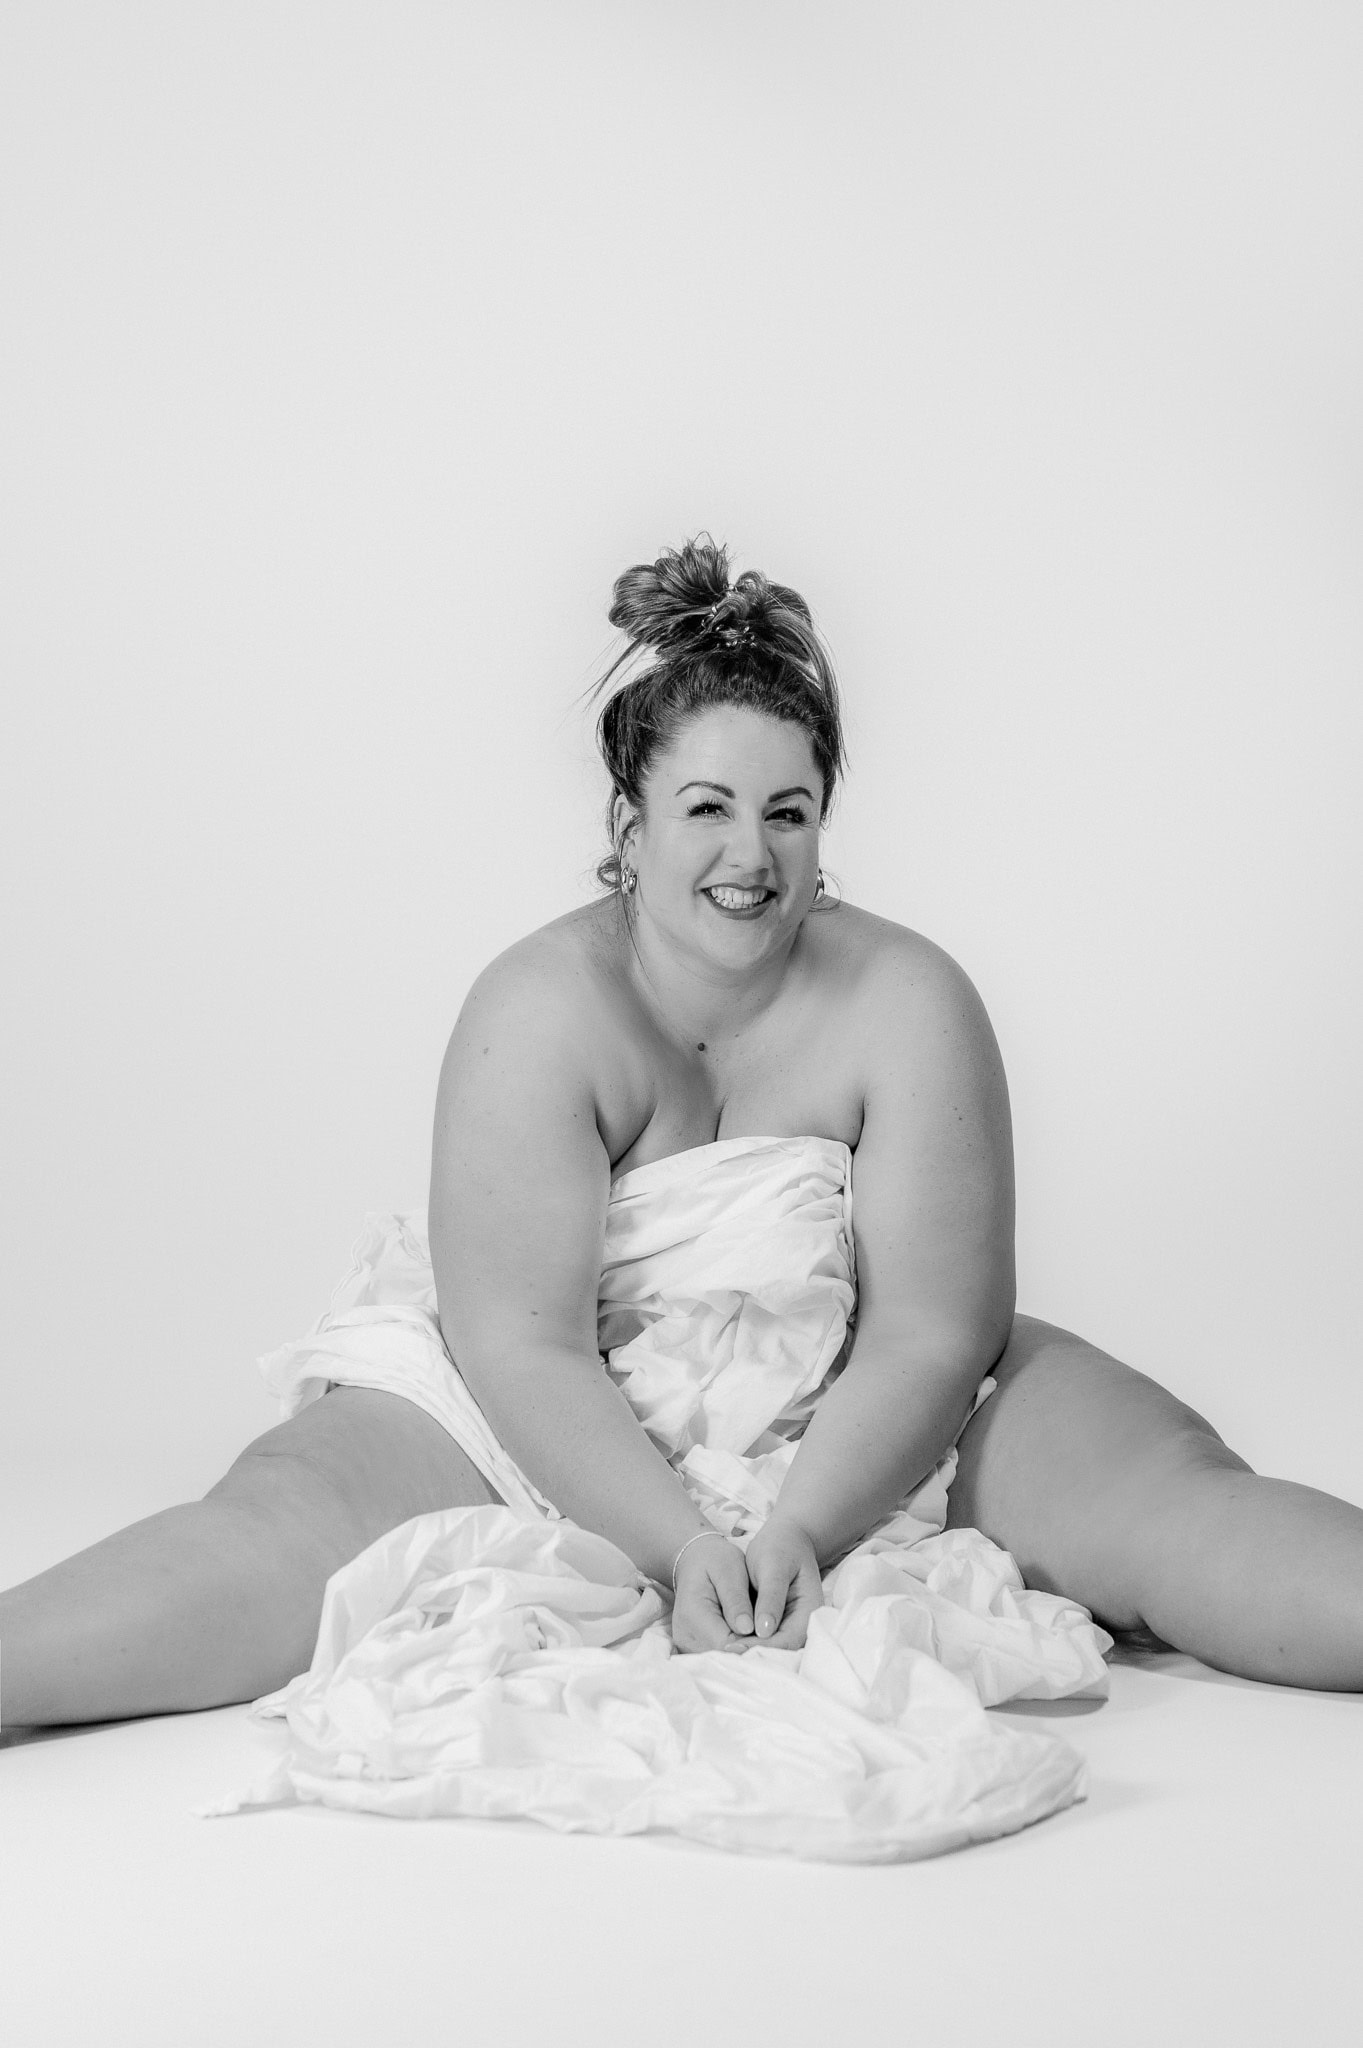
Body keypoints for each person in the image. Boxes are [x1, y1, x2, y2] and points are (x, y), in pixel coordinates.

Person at [3, 535, 1361, 1738]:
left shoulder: (912, 1001)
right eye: (707, 807)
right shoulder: (536, 1009)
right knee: (276, 1539)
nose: (750, 857)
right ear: (630, 822)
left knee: (1172, 1500)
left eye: (787, 813)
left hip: (854, 1395)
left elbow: (932, 1327)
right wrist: (678, 1546)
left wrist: (804, 1525)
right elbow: (520, 1338)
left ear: (824, 824)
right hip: (536, 1404)